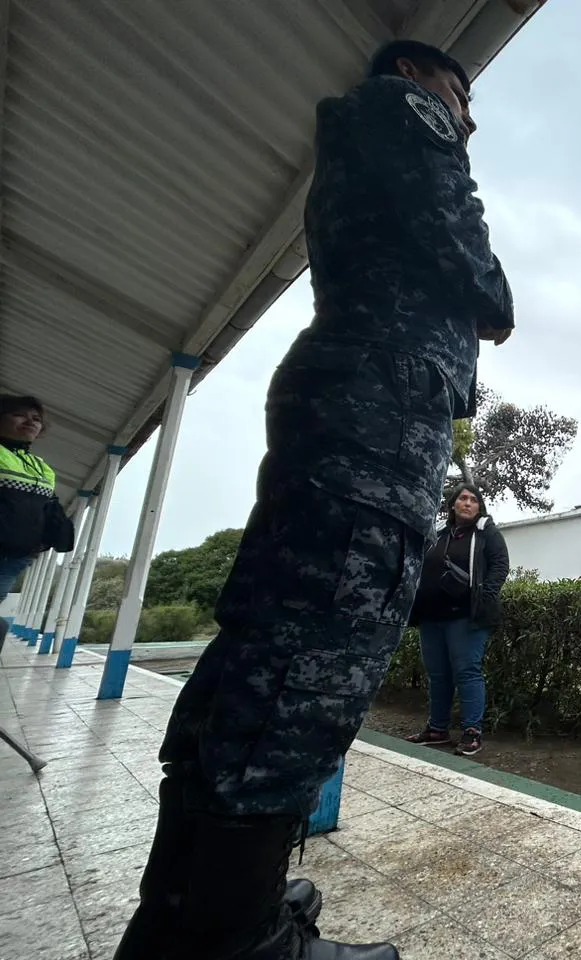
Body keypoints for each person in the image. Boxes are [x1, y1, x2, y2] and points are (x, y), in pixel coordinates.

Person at [114, 41, 515, 960]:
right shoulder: (406, 116)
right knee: (308, 672)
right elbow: (483, 280)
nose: (469, 117)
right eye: (460, 95)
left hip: (358, 411)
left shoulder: (365, 144)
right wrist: (492, 293)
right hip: (375, 424)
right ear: (416, 77)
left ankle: (188, 910)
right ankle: (236, 938)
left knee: (268, 653)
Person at [405, 484, 509, 756]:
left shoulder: (486, 532)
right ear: (453, 504)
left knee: (467, 672)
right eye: (462, 498)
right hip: (431, 616)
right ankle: (437, 729)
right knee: (438, 674)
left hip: (466, 617)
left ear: (479, 507)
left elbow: (500, 565)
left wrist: (484, 597)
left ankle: (472, 732)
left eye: (474, 500)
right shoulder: (439, 532)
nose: (468, 503)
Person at [0, 394, 75, 642]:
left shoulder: (41, 467)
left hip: (15, 558)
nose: (30, 422)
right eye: (19, 415)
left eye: (36, 419)